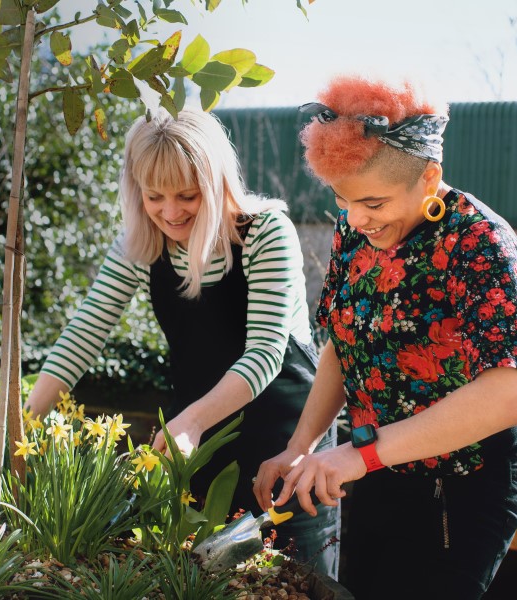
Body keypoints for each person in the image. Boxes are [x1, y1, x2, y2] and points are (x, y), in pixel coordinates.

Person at [253, 75, 517, 599]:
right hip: (378, 471)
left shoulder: (481, 242)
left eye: (374, 203)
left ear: (429, 179)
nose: (356, 218)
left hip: (462, 487)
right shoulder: (354, 229)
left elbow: (507, 395)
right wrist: (300, 446)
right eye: (342, 199)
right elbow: (343, 344)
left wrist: (359, 456)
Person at [25, 108, 339, 577]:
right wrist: (26, 422)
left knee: (293, 579)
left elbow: (266, 352)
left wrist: (190, 420)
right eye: (154, 196)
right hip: (197, 443)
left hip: (285, 443)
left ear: (216, 184)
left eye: (187, 196)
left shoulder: (264, 233)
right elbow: (84, 333)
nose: (171, 213)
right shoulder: (142, 244)